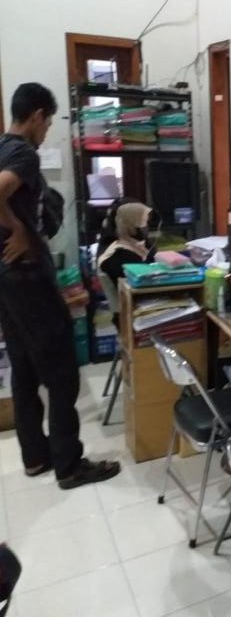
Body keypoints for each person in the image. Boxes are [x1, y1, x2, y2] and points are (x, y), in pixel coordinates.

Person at [0, 82, 120, 489]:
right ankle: (69, 465)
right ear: (36, 115)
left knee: (24, 368)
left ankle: (35, 457)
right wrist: (18, 229)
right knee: (63, 371)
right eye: (48, 122)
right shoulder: (23, 153)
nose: (47, 130)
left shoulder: (1, 146)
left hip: (6, 280)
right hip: (27, 276)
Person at [97, 201, 156, 289]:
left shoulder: (128, 244)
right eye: (144, 221)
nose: (147, 226)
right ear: (130, 224)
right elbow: (148, 279)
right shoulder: (120, 254)